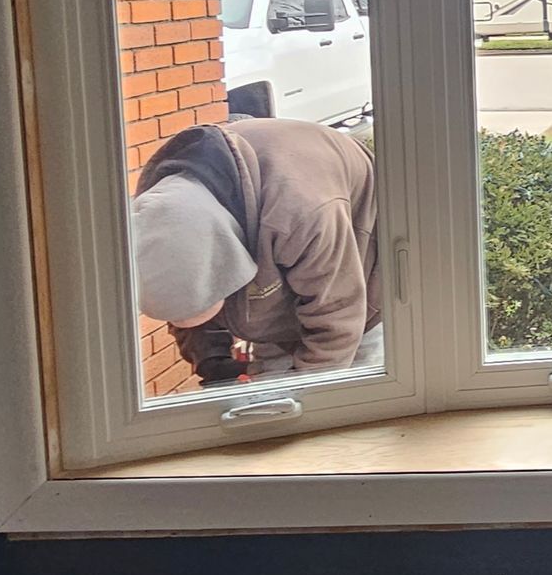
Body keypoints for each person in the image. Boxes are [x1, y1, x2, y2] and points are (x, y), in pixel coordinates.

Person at [132, 117, 381, 385]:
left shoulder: (298, 212)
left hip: (364, 292)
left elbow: (337, 319)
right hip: (283, 293)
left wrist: (301, 398)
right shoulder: (158, 217)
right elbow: (187, 294)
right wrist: (212, 362)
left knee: (346, 404)